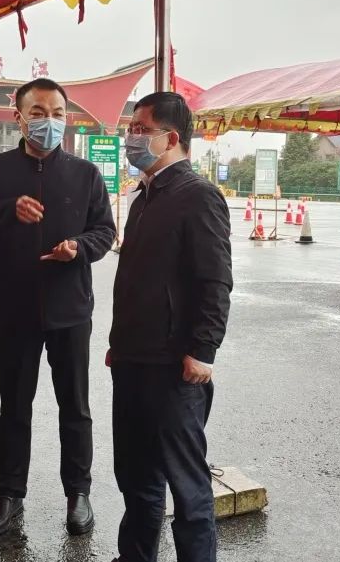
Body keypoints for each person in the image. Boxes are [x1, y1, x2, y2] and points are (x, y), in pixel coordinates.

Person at [0, 78, 115, 538]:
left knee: (75, 407)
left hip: (70, 311)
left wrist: (78, 248)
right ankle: (9, 494)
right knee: (14, 406)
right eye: (39, 113)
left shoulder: (85, 174)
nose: (49, 121)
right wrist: (7, 209)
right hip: (15, 310)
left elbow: (105, 231)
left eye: (57, 113)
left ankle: (78, 492)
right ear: (19, 118)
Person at [108, 92, 233, 562]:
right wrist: (119, 343)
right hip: (133, 359)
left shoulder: (198, 196)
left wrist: (203, 350)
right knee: (136, 478)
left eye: (142, 129)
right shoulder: (145, 195)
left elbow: (215, 280)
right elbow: (138, 282)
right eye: (131, 129)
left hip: (175, 367)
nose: (132, 137)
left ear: (171, 137)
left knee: (187, 486)